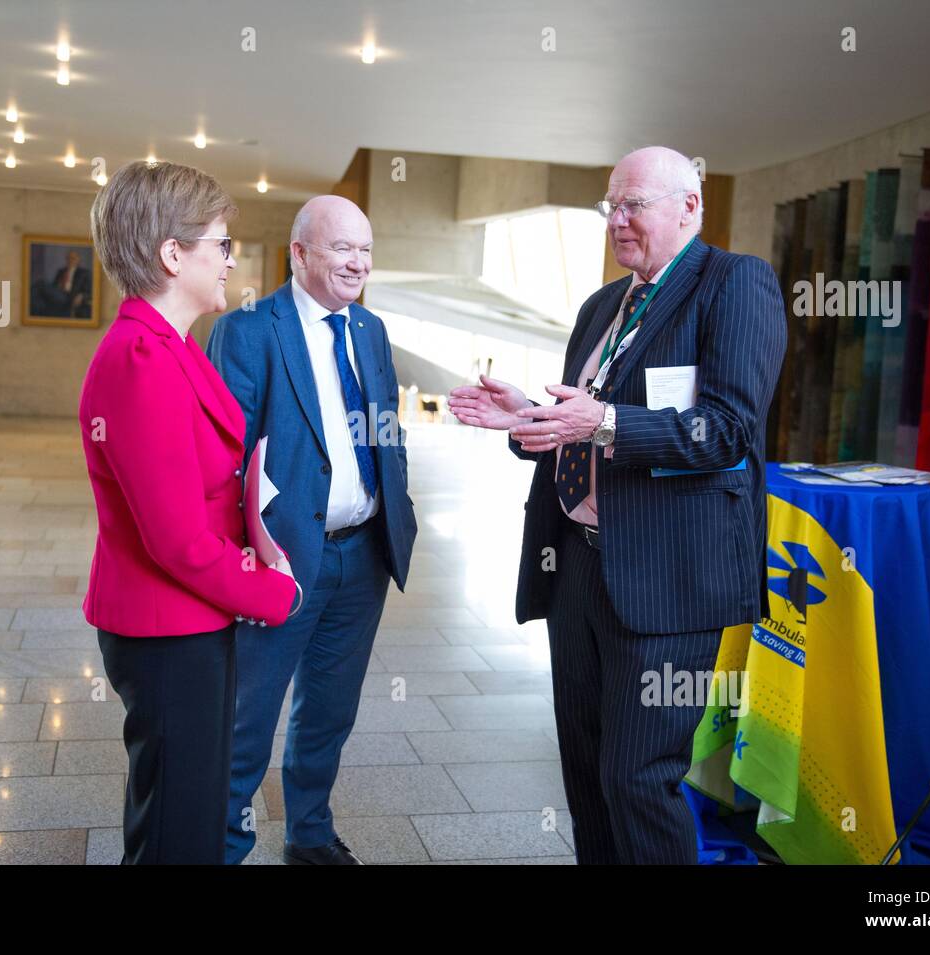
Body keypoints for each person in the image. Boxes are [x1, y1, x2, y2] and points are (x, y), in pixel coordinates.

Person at [449, 146, 786, 864]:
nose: (618, 220)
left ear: (689, 206)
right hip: (578, 567)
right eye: (612, 206)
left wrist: (597, 421)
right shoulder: (603, 305)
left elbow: (727, 431)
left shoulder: (733, 285)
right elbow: (583, 419)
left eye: (635, 204)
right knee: (587, 771)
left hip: (667, 579)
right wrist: (529, 416)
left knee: (638, 779)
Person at [79, 160, 300, 864]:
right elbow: (174, 539)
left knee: (184, 815)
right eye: (222, 244)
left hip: (188, 619)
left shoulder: (169, 347)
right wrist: (272, 590)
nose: (232, 259)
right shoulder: (141, 359)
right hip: (165, 626)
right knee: (178, 833)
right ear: (173, 255)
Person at [207, 195, 417, 865]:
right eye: (341, 248)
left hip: (363, 558)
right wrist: (243, 558)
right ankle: (225, 844)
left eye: (365, 249)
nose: (358, 262)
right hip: (283, 563)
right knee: (248, 718)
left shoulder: (371, 330)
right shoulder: (250, 330)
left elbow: (386, 432)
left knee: (329, 711)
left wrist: (395, 503)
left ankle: (310, 833)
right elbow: (222, 460)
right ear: (299, 254)